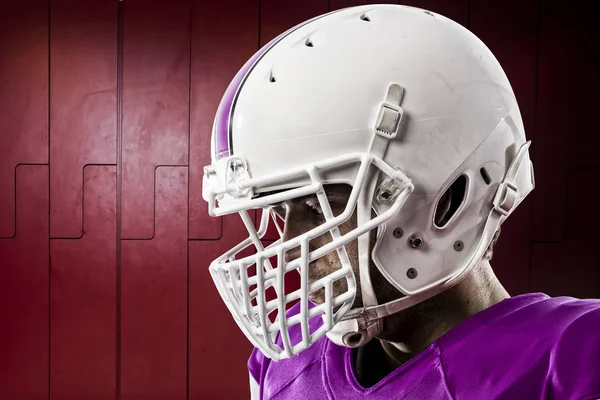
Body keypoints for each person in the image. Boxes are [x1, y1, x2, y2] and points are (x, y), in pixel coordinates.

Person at [201, 4, 600, 399]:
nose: (288, 253)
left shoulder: (576, 364)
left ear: (447, 203)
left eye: (320, 207)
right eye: (278, 211)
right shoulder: (285, 361)